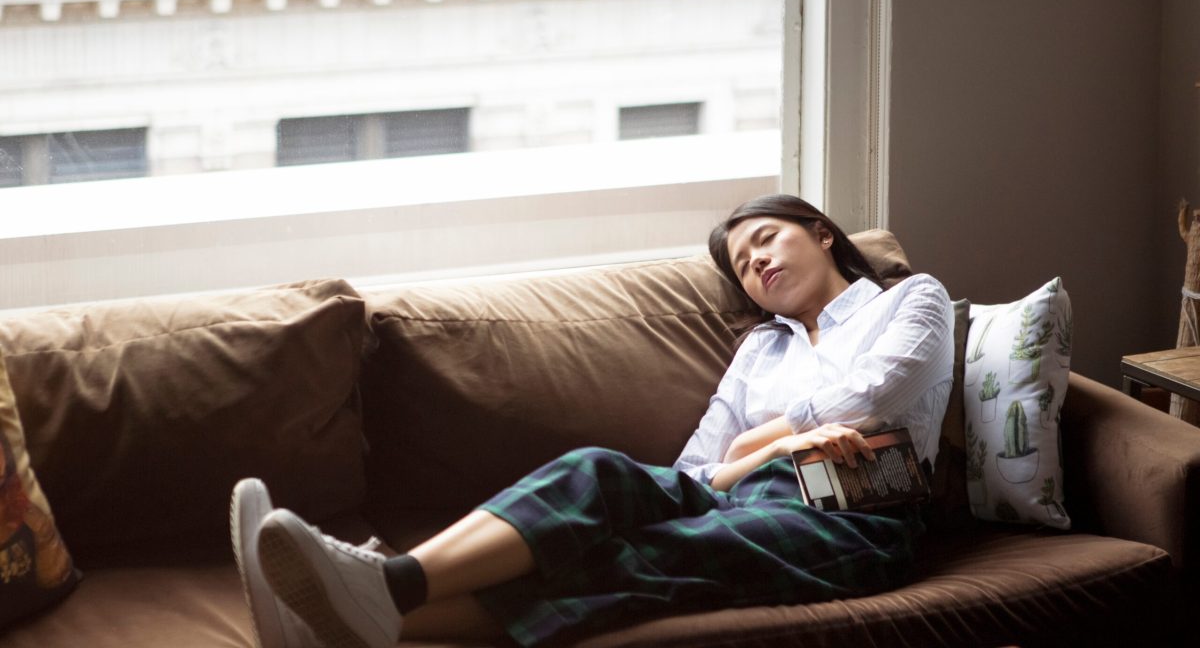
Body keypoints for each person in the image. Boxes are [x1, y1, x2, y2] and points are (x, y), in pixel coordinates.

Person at [232, 194, 954, 648]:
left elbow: (882, 393)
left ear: (822, 233)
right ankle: (386, 586)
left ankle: (348, 608)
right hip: (743, 489)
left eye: (766, 239)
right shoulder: (757, 349)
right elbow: (697, 469)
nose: (756, 262)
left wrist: (767, 435)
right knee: (596, 472)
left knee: (645, 555)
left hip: (856, 510)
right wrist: (768, 445)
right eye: (741, 265)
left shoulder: (909, 299)